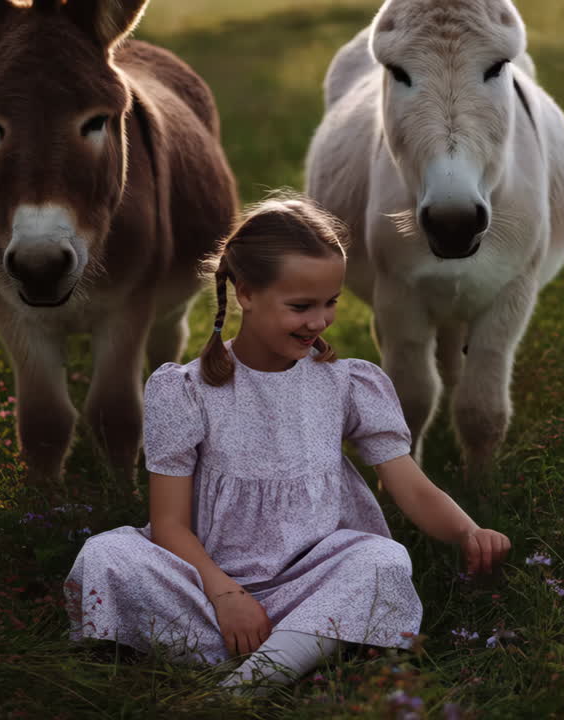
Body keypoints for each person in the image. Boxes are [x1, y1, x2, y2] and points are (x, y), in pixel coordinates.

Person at [64, 194, 511, 691]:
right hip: (206, 580)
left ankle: (245, 685)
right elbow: (169, 525)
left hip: (312, 581)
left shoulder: (346, 384)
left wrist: (469, 532)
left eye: (331, 303)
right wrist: (225, 594)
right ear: (247, 294)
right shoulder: (187, 391)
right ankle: (284, 651)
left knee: (381, 560)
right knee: (106, 555)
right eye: (300, 306)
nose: (319, 321)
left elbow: (409, 486)